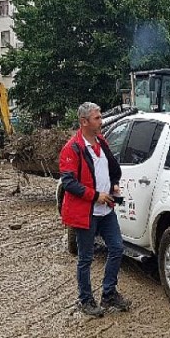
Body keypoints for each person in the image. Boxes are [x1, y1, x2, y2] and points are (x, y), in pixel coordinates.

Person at [59, 102, 131, 317]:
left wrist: (114, 184)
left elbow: (111, 168)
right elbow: (68, 183)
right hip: (86, 212)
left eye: (100, 117)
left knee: (117, 248)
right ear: (84, 122)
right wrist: (95, 195)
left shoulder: (101, 141)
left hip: (106, 209)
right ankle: (85, 299)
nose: (101, 121)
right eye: (97, 118)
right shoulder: (72, 149)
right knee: (85, 258)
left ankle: (108, 293)